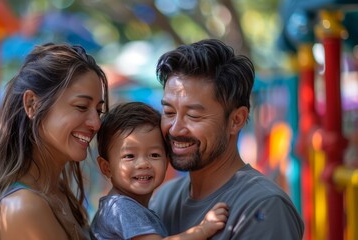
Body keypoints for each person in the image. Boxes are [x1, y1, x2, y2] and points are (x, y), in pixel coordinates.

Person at [149, 39, 305, 239]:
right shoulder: (164, 199)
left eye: (194, 116)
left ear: (236, 120)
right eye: (169, 112)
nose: (175, 128)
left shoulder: (264, 206)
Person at [0, 43, 109, 239]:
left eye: (98, 111)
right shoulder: (24, 206)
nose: (96, 123)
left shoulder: (57, 192)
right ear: (32, 104)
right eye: (82, 107)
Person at [91, 101, 229, 240]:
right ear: (106, 168)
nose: (143, 164)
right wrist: (201, 231)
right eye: (129, 156)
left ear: (167, 161)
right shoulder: (122, 207)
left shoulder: (128, 206)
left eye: (154, 155)